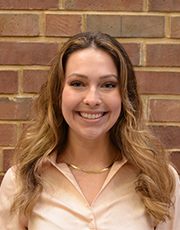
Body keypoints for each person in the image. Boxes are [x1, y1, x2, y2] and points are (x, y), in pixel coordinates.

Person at [0, 32, 179, 230]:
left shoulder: (159, 179)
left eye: (108, 85)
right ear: (58, 92)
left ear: (124, 96)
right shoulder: (21, 181)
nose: (92, 99)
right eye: (78, 83)